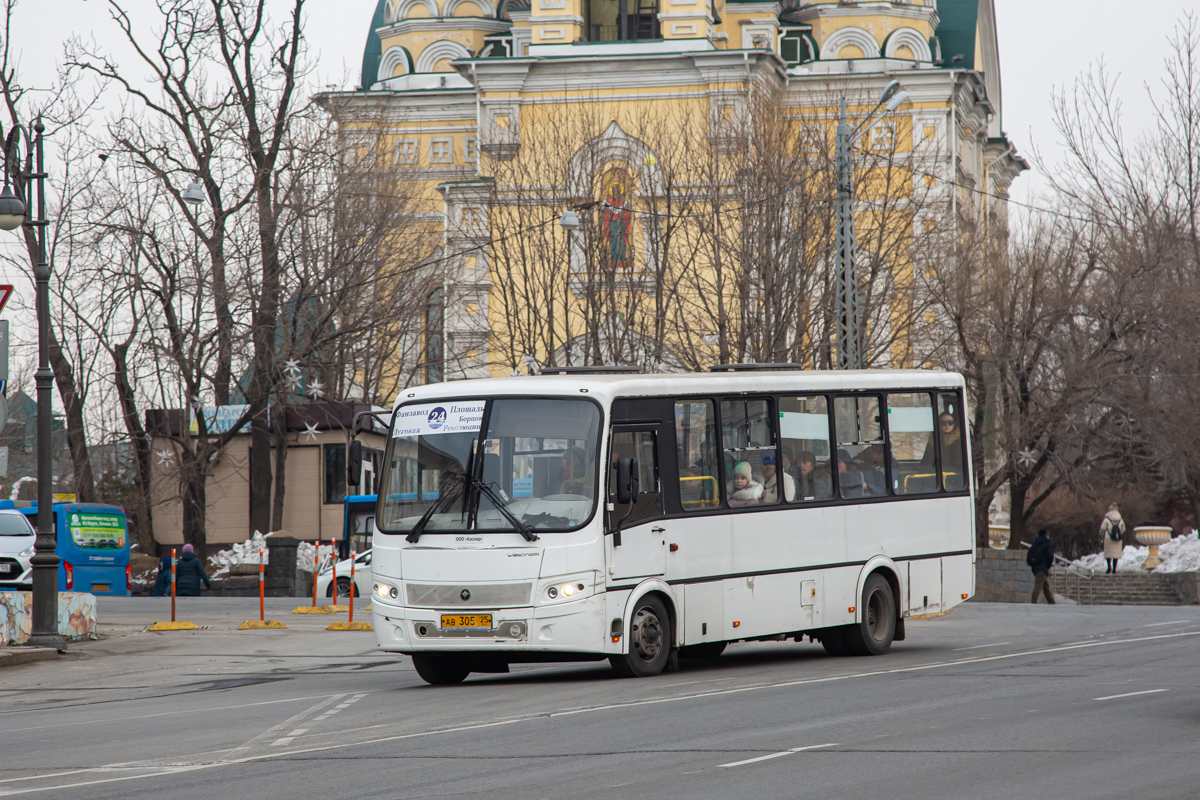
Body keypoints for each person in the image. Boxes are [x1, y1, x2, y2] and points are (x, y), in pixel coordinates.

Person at [1026, 528, 1055, 604]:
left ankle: (1052, 603)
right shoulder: (1047, 544)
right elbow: (1050, 556)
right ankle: (1033, 602)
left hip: (1035, 567)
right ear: (1046, 536)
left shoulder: (1035, 543)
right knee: (1038, 587)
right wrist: (1048, 565)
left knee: (1046, 587)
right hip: (1042, 568)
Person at [1100, 502, 1126, 574]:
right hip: (1117, 539)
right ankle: (1114, 569)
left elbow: (1102, 528)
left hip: (1109, 538)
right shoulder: (1120, 518)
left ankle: (1109, 568)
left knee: (1108, 553)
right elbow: (1123, 528)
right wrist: (1118, 532)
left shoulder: (1107, 518)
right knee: (1115, 554)